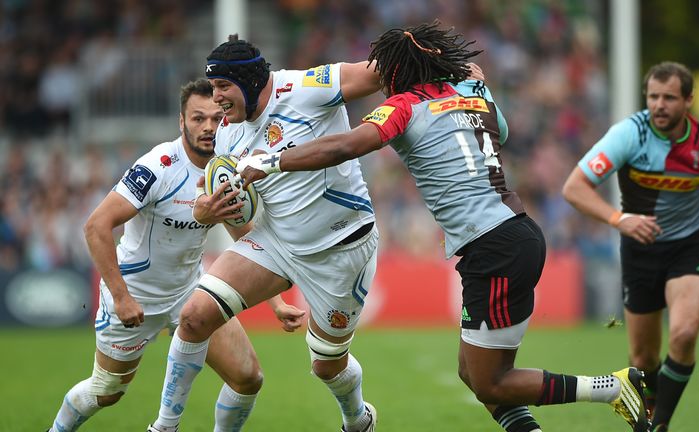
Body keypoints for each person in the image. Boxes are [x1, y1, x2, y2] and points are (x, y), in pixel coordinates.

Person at [235, 21, 650, 432]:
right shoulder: (472, 91)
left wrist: (272, 160)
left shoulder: (403, 105)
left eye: (385, 70)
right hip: (513, 233)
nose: (380, 80)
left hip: (494, 246)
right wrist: (480, 87)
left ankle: (612, 387)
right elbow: (500, 131)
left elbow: (348, 145)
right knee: (474, 373)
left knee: (491, 380)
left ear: (399, 70)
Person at [147, 35, 386, 432]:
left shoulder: (308, 87)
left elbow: (377, 73)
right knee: (194, 317)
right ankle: (164, 426)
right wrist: (207, 206)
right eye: (213, 88)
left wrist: (442, 67)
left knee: (327, 366)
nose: (217, 99)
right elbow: (220, 198)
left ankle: (357, 418)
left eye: (224, 87)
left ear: (249, 81)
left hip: (340, 247)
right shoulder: (226, 133)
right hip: (276, 242)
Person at [46, 79, 305, 432]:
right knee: (107, 390)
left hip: (190, 293)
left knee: (248, 378)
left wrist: (276, 303)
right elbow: (96, 226)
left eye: (216, 118)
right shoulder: (158, 166)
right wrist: (121, 297)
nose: (209, 127)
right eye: (198, 119)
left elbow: (240, 232)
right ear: (181, 122)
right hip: (137, 295)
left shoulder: (224, 168)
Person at [562, 61, 699, 431]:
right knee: (643, 357)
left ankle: (660, 425)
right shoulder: (628, 135)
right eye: (653, 97)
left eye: (669, 98)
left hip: (689, 248)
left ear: (688, 100)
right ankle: (651, 410)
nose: (659, 105)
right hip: (639, 250)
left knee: (685, 334)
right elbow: (574, 187)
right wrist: (619, 219)